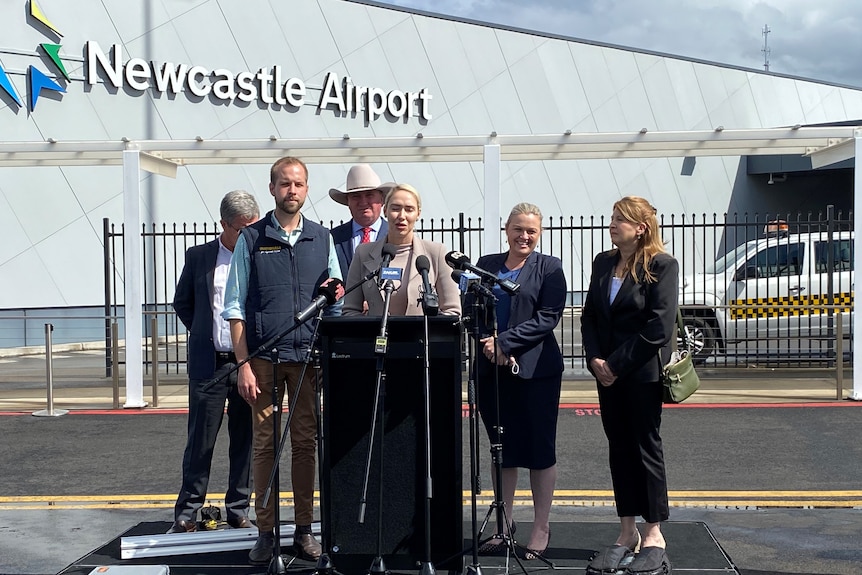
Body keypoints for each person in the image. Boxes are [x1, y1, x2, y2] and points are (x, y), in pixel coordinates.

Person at [222, 156, 343, 565]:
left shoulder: (322, 238)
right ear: (272, 188)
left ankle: (305, 531)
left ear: (307, 190)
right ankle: (267, 532)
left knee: (305, 444)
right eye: (285, 184)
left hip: (307, 359)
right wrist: (243, 365)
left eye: (299, 184)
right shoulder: (251, 238)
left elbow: (335, 305)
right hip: (264, 359)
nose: (292, 190)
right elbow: (234, 305)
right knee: (265, 446)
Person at [580, 196, 678, 575]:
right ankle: (627, 531)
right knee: (618, 449)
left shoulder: (661, 265)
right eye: (612, 217)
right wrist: (594, 360)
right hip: (607, 374)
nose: (613, 223)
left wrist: (616, 364)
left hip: (639, 373)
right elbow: (589, 316)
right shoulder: (604, 262)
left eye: (621, 219)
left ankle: (654, 532)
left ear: (641, 227)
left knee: (644, 448)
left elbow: (658, 327)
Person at [471, 203, 567, 560]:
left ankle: (541, 526)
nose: (524, 236)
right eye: (518, 229)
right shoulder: (485, 265)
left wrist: (506, 343)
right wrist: (488, 342)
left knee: (539, 451)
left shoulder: (550, 268)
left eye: (531, 231)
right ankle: (503, 524)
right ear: (506, 228)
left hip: (537, 371)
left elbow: (548, 317)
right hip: (490, 369)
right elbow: (473, 309)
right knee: (502, 448)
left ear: (539, 233)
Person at [168, 190, 260, 534]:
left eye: (253, 228)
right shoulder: (200, 257)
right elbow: (183, 303)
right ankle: (188, 509)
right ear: (223, 224)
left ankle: (238, 507)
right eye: (241, 229)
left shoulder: (260, 256)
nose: (247, 235)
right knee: (200, 440)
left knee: (245, 437)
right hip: (210, 363)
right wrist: (206, 332)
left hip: (248, 363)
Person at [342, 183, 461, 317]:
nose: (402, 216)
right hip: (376, 336)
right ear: (385, 211)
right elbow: (350, 311)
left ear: (418, 214)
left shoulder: (436, 253)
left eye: (409, 209)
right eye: (395, 208)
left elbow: (452, 311)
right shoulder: (363, 253)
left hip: (421, 336)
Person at [328, 164, 393, 279]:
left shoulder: (395, 236)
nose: (363, 202)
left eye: (369, 195)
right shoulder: (333, 238)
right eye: (356, 196)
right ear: (348, 202)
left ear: (382, 199)